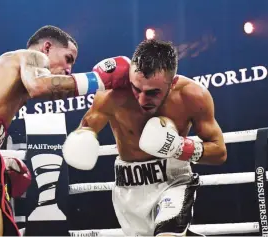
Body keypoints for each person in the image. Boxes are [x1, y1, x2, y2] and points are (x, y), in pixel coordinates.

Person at [0, 25, 130, 236]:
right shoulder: (28, 57)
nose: (69, 69)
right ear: (46, 47)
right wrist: (98, 80)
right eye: (68, 58)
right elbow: (38, 86)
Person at [63, 39, 227, 236]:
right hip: (129, 189)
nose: (141, 99)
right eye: (136, 89)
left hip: (173, 182)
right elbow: (86, 128)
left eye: (152, 93)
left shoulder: (192, 96)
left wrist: (178, 147)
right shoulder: (112, 95)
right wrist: (83, 136)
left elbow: (219, 152)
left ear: (172, 82)